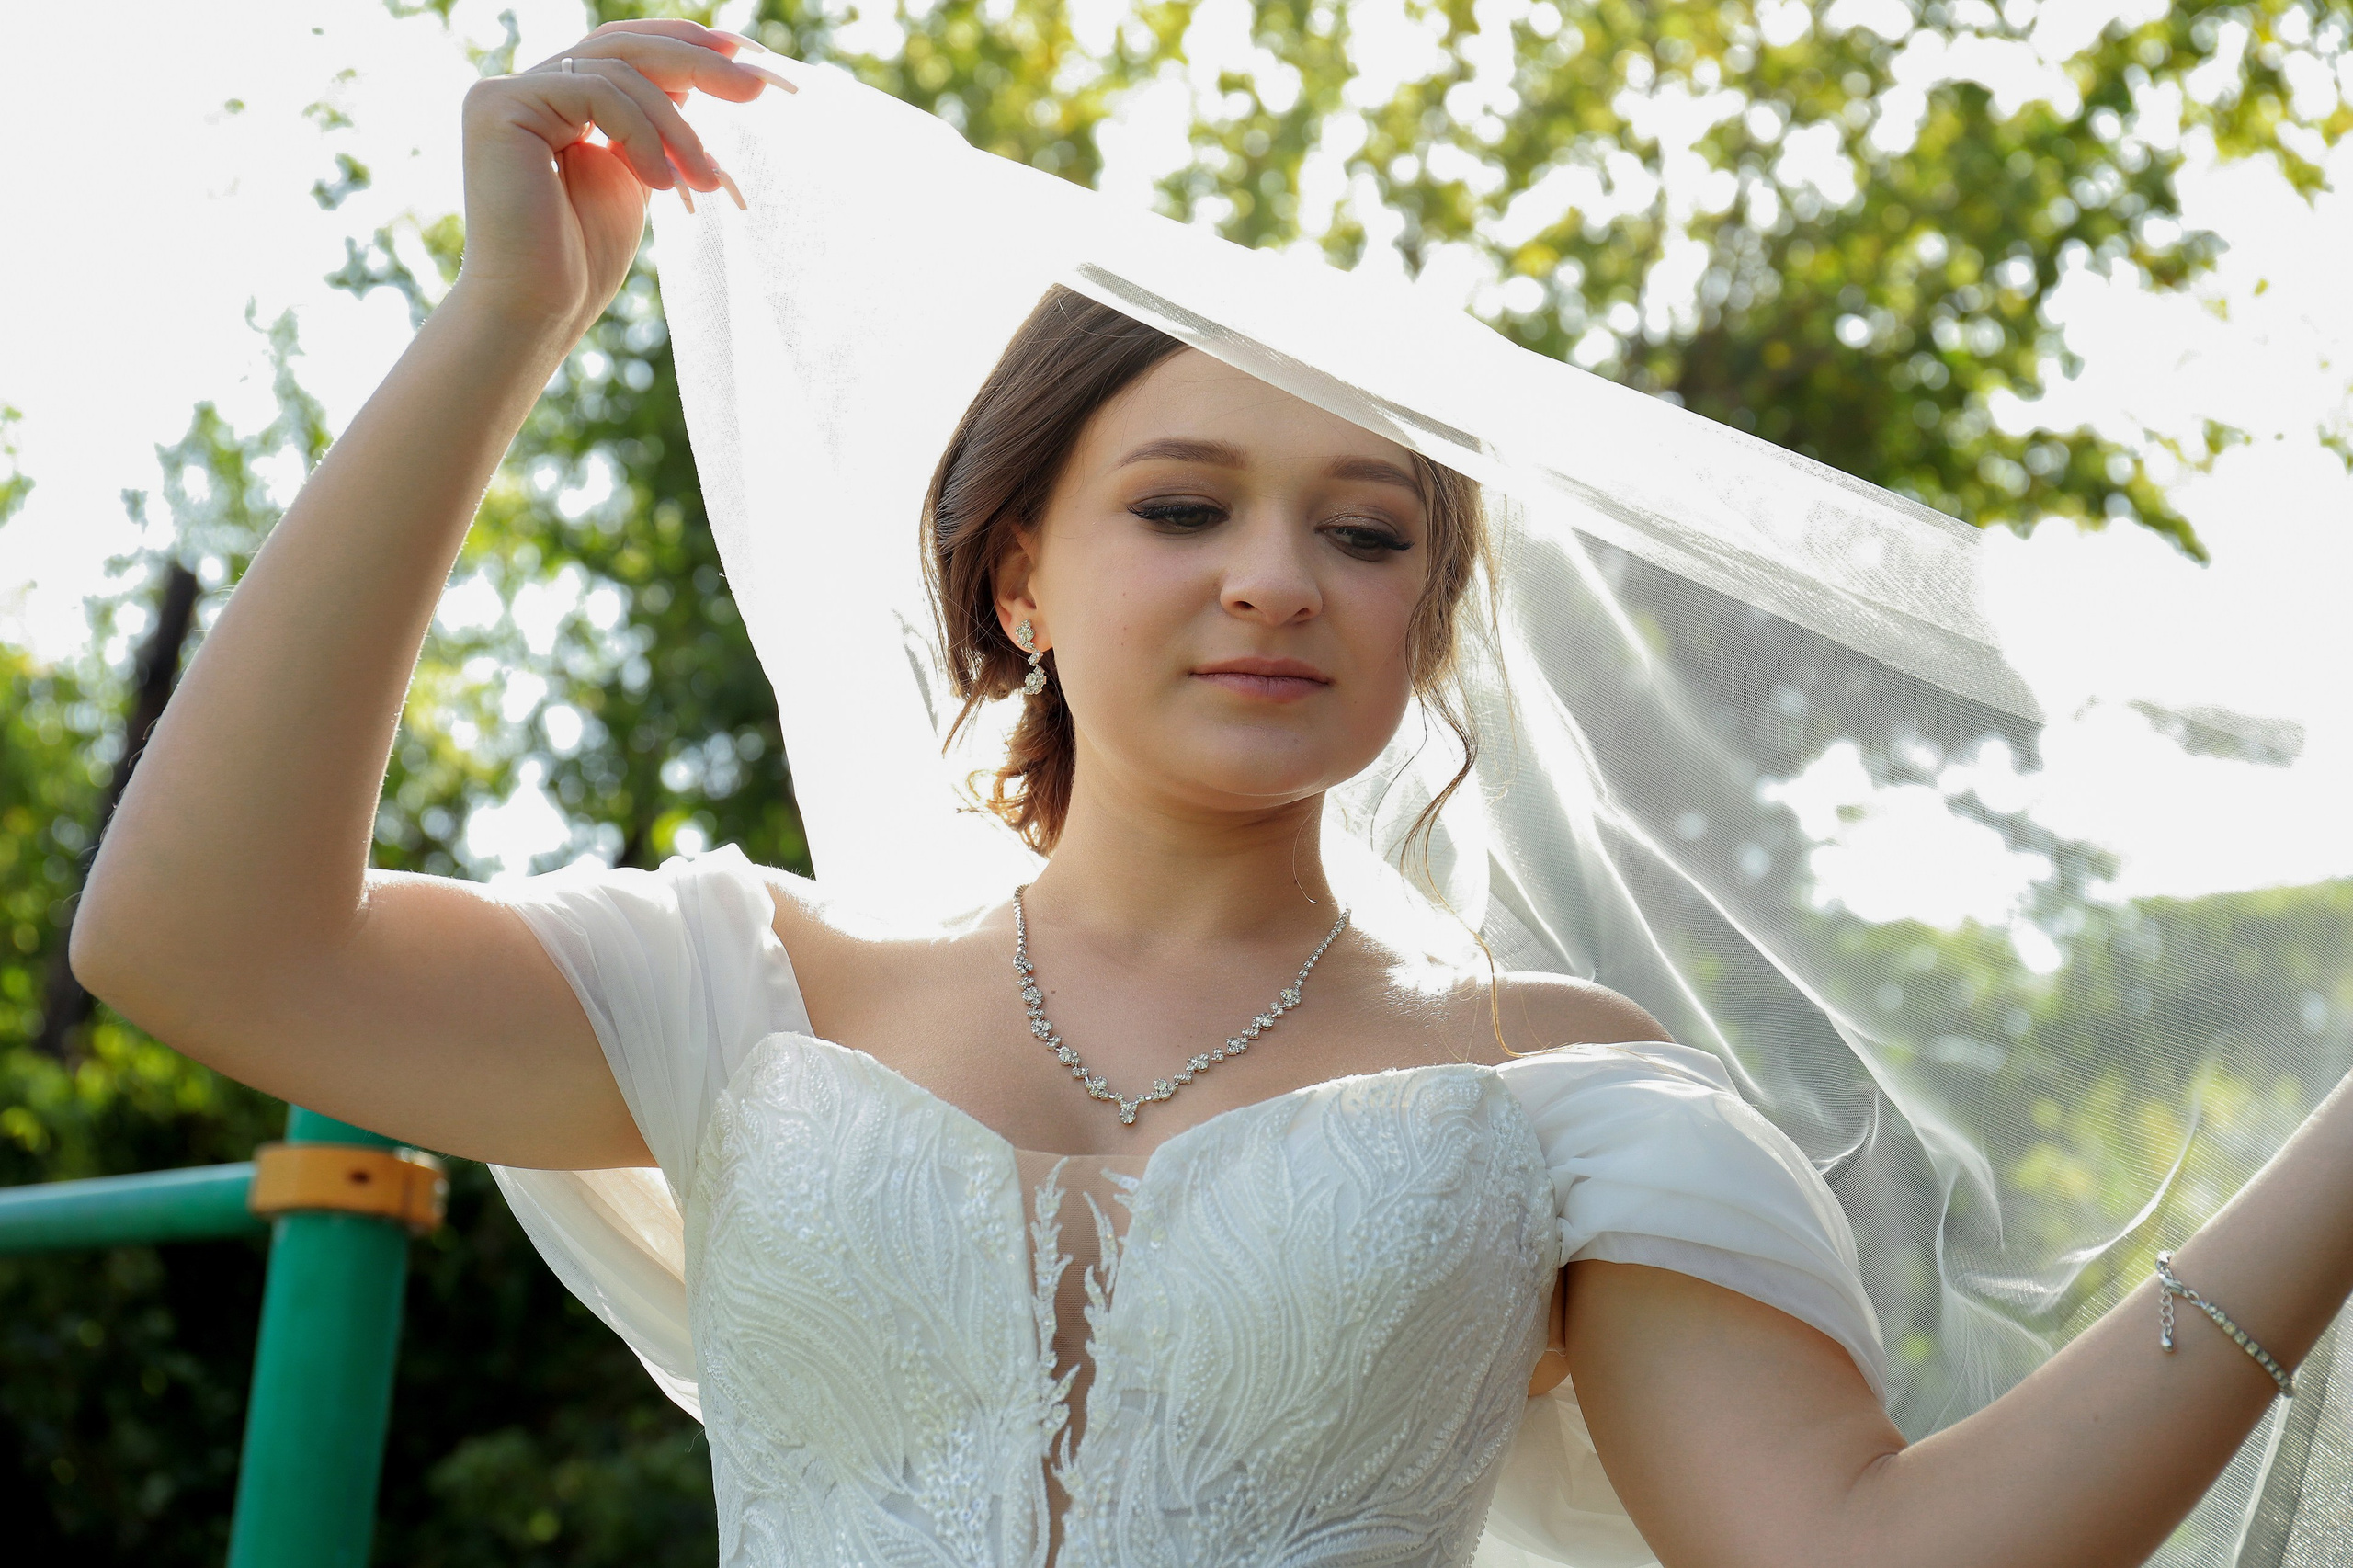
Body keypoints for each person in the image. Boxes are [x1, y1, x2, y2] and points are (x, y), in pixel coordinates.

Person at [71, 17, 2353, 1568]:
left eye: (1366, 532)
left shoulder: (1564, 1098)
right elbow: (194, 941)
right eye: (1182, 508)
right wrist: (504, 320)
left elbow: (1870, 1559)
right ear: (1018, 570)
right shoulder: (750, 991)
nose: (1279, 581)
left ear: (1426, 616)